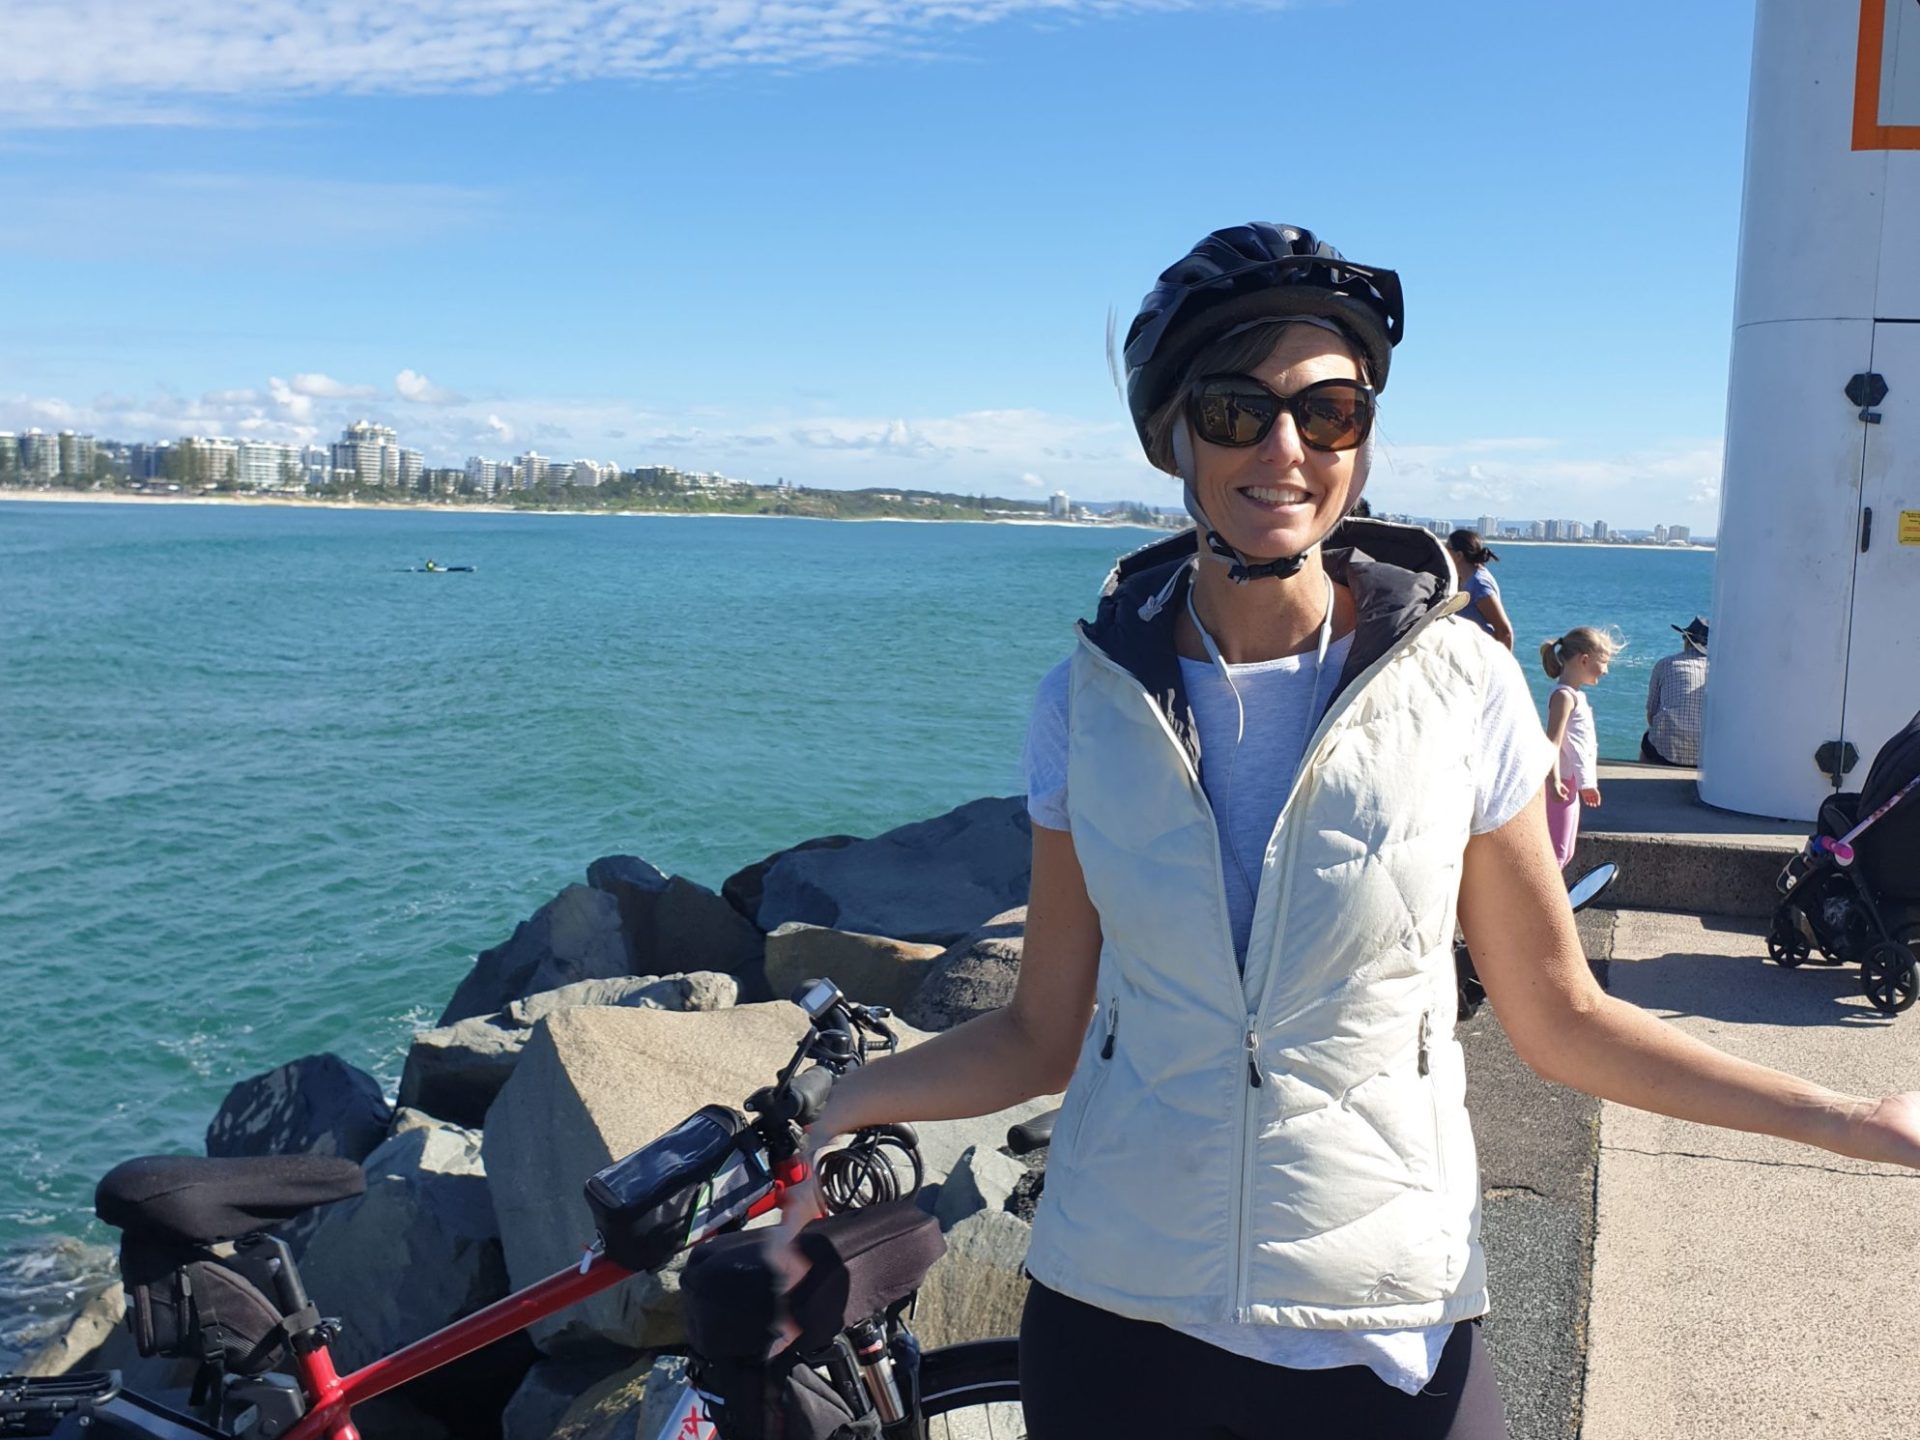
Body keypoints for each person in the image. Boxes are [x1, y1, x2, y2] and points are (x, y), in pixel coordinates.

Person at [774, 223, 1920, 1439]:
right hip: (1116, 1314)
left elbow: (1563, 1018)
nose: (1285, 450)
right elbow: (1039, 1032)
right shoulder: (1086, 703)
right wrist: (837, 1108)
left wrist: (1845, 1121)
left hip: (1389, 1324)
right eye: (1234, 409)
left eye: (1329, 412)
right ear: (1171, 433)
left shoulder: (1463, 686)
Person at [1540, 627, 1614, 869]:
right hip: (1561, 782)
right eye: (1603, 663)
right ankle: (1546, 904)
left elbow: (1580, 745)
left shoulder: (1575, 695)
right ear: (1584, 660)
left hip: (1570, 783)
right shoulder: (1564, 696)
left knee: (1566, 852)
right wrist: (1553, 781)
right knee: (1557, 854)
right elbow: (1553, 742)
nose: (1606, 670)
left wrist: (1586, 783)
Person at [1642, 615, 1709, 766]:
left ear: (1687, 640)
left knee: (1647, 739)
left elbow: (1651, 713)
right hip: (1706, 755)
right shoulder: (1718, 671)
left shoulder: (1665, 664)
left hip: (1666, 752)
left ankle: (1643, 779)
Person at [1446, 529, 1514, 649]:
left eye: (1447, 548)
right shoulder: (1461, 579)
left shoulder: (1479, 584)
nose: (1443, 552)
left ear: (1458, 555)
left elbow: (1504, 631)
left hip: (1482, 659)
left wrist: (1501, 665)